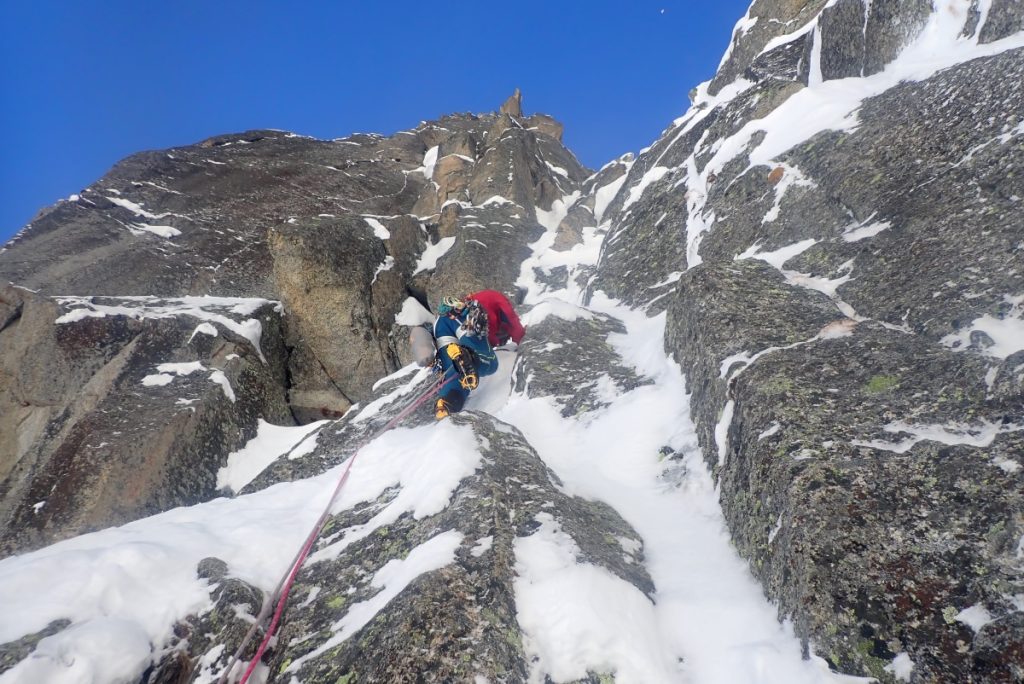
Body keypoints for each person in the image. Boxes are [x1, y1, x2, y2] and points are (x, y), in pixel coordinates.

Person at [432, 295, 499, 419]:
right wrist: (519, 336)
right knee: (491, 364)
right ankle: (468, 356)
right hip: (462, 316)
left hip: (440, 327)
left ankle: (446, 402)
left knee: (453, 370)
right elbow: (512, 322)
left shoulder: (440, 318)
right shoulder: (495, 299)